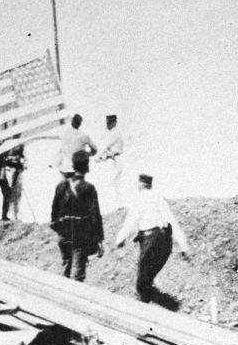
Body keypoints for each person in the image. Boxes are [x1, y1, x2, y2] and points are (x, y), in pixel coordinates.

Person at [115, 174, 191, 303]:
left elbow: (130, 221)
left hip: (150, 241)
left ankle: (152, 307)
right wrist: (183, 246)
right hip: (165, 241)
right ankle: (150, 302)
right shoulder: (159, 199)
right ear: (150, 185)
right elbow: (172, 221)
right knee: (147, 280)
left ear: (140, 184)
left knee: (142, 284)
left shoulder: (138, 199)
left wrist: (120, 239)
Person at [50, 150, 104, 281]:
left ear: (73, 166)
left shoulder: (61, 186)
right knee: (77, 275)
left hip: (63, 234)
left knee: (66, 269)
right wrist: (99, 239)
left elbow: (54, 211)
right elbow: (95, 215)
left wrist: (59, 228)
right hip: (79, 235)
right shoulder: (88, 188)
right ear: (87, 167)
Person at [97, 114, 125, 209]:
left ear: (114, 123)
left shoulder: (114, 133)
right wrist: (103, 157)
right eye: (107, 122)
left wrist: (98, 158)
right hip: (114, 159)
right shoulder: (113, 133)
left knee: (109, 182)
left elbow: (105, 147)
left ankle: (113, 205)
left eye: (109, 122)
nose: (107, 125)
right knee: (116, 184)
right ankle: (119, 205)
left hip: (116, 160)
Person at [3, 146, 26, 221]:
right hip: (9, 170)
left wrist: (21, 165)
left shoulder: (20, 147)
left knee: (17, 193)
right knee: (9, 193)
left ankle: (16, 214)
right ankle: (9, 214)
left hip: (17, 171)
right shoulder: (7, 146)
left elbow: (22, 158)